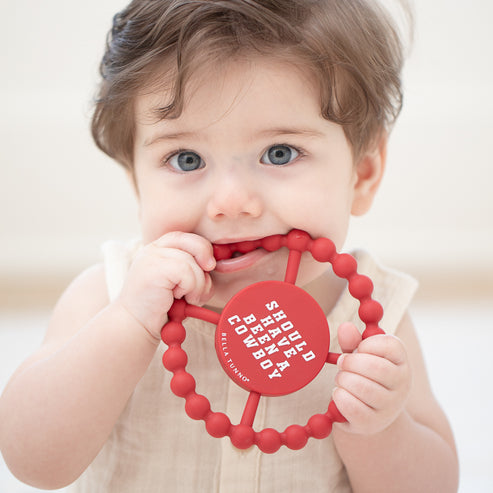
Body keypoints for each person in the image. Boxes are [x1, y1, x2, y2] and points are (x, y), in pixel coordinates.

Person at [0, 0, 459, 491]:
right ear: (136, 183)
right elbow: (32, 461)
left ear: (362, 176)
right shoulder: (109, 295)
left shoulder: (373, 320)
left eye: (279, 153)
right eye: (186, 158)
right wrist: (129, 325)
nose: (231, 202)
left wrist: (381, 428)